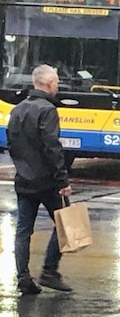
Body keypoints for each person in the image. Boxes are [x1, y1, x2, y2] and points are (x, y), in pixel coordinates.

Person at [8, 64, 73, 295]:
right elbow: (52, 148)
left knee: (23, 230)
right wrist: (62, 180)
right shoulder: (47, 110)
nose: (57, 85)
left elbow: (12, 143)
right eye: (56, 82)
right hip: (47, 182)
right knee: (65, 224)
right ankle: (49, 271)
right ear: (47, 84)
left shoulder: (17, 110)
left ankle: (23, 277)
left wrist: (22, 168)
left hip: (23, 180)